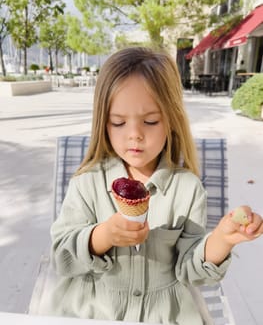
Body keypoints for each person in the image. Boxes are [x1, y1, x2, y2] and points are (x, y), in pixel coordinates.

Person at [47, 47, 263, 324]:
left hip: (166, 314)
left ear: (171, 120)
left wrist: (223, 239)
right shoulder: (87, 182)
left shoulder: (187, 188)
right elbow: (61, 258)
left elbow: (192, 270)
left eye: (150, 121)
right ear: (104, 123)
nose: (134, 134)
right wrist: (103, 236)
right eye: (118, 122)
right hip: (91, 310)